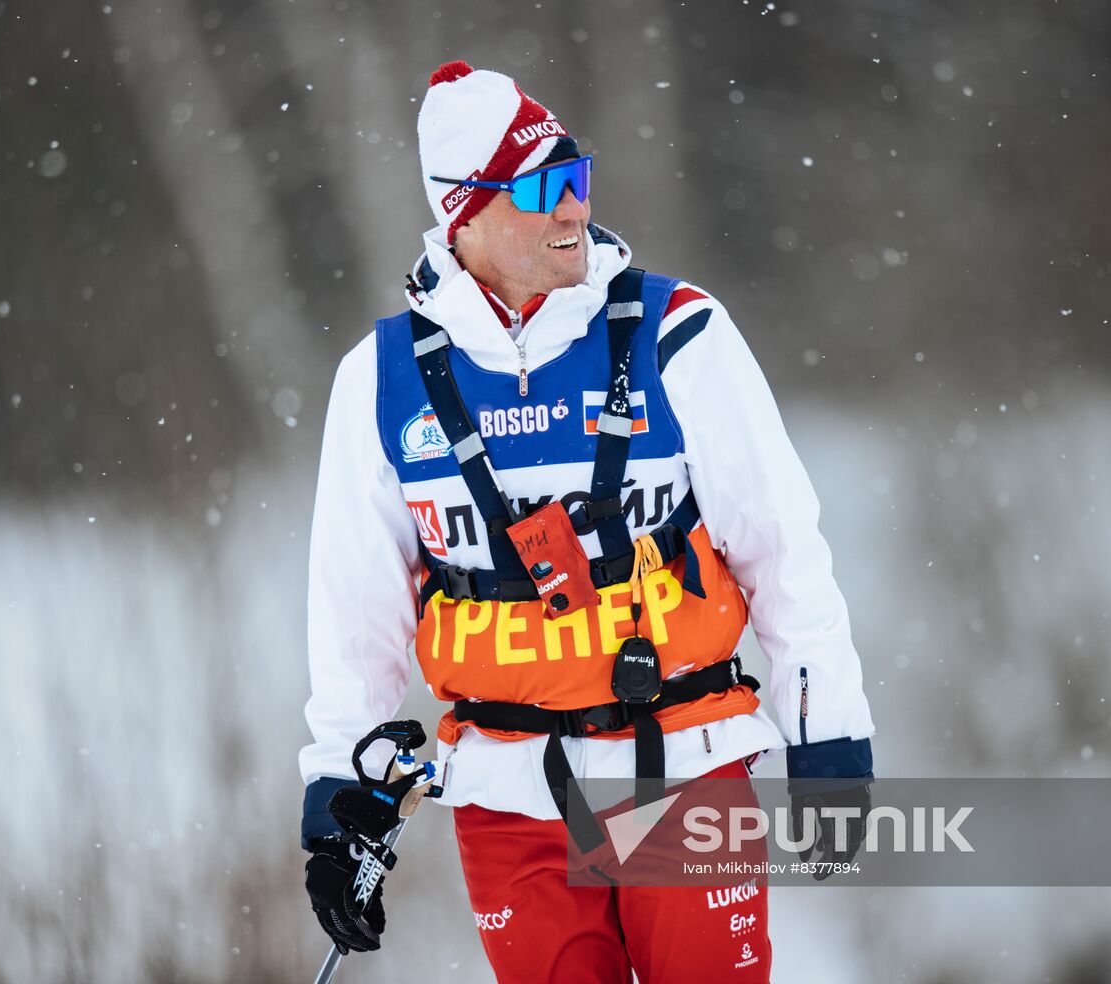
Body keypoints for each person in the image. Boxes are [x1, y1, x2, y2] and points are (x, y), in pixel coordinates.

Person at [299, 61, 875, 982]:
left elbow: (784, 550)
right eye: (542, 188)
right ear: (464, 214)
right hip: (505, 790)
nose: (573, 208)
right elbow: (354, 615)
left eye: (578, 178)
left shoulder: (677, 333)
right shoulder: (379, 381)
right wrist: (339, 796)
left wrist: (829, 732)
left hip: (682, 760)